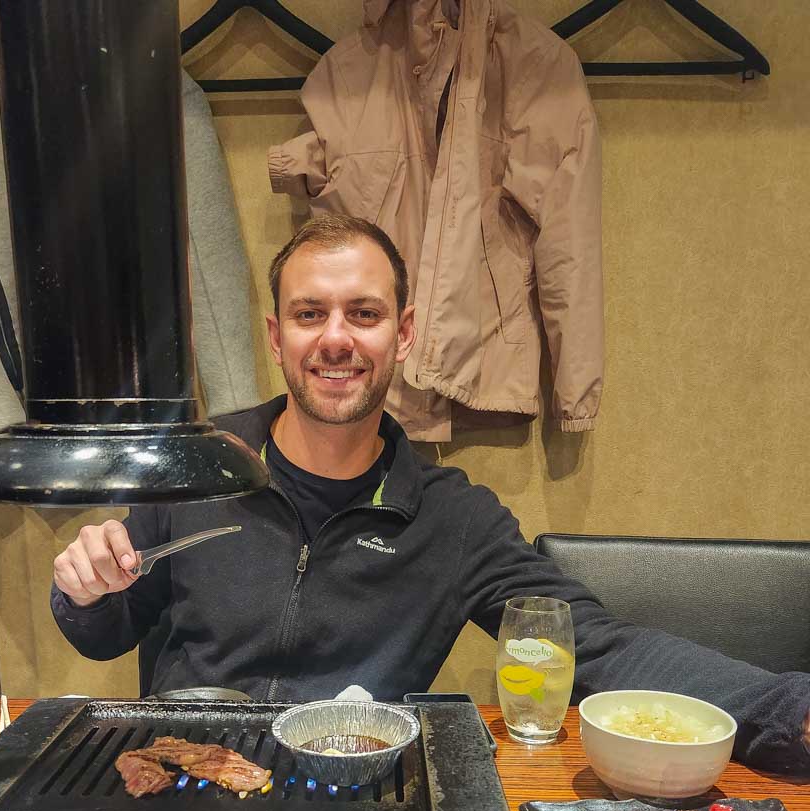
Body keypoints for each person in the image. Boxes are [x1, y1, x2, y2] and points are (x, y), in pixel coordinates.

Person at [52, 215, 810, 774]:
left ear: (404, 334)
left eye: (366, 314)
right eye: (312, 314)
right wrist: (86, 588)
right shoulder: (197, 463)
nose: (338, 339)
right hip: (184, 779)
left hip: (351, 789)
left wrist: (790, 709)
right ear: (277, 337)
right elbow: (108, 629)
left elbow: (599, 646)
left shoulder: (455, 520)